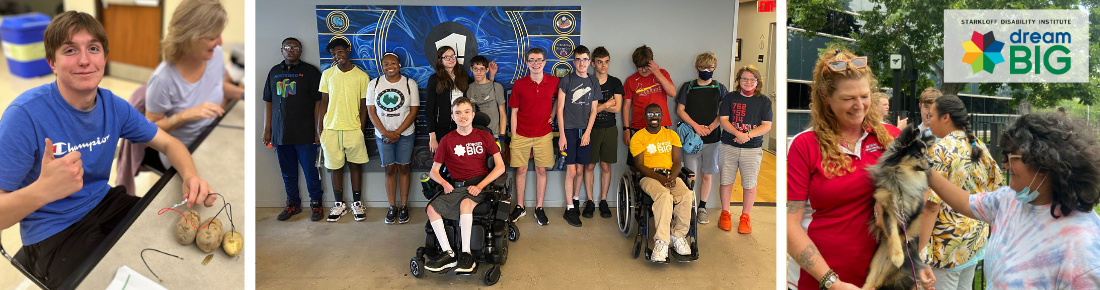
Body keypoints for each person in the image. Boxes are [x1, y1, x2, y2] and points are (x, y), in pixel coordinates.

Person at [0, 11, 215, 288]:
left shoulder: (113, 105)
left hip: (103, 202)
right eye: (69, 50)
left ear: (104, 57)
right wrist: (44, 190)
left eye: (93, 48)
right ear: (52, 62)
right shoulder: (24, 115)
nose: (84, 60)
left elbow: (168, 143)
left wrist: (190, 176)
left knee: (169, 247)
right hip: (52, 230)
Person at [786, 49, 933, 290]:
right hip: (820, 280)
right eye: (848, 99)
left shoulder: (891, 138)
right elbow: (790, 225)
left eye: (864, 96)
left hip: (883, 279)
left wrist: (914, 261)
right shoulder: (805, 145)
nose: (859, 106)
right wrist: (831, 283)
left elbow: (922, 193)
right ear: (825, 96)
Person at [923, 113, 1100, 288]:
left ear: (1045, 164)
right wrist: (925, 168)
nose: (1006, 165)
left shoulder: (1081, 246)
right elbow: (965, 202)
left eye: (1013, 158)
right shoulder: (1009, 199)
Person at [916, 94, 1003, 290]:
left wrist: (918, 253)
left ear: (945, 117)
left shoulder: (940, 151)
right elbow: (995, 188)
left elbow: (930, 207)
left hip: (945, 247)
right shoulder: (978, 145)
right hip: (974, 241)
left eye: (932, 116)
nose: (929, 123)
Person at [146, 0, 243, 168]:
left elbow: (216, 85)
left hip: (211, 133)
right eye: (213, 37)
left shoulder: (215, 54)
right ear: (190, 38)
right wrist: (185, 115)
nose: (220, 42)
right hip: (181, 151)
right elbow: (148, 132)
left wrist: (245, 95)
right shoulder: (163, 79)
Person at [424, 97, 506, 275]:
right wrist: (444, 183)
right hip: (456, 187)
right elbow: (434, 171)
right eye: (458, 113)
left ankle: (466, 255)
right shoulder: (446, 140)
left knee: (465, 204)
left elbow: (500, 167)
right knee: (431, 209)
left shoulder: (484, 136)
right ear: (453, 117)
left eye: (467, 112)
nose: (463, 116)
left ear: (473, 114)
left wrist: (481, 185)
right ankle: (448, 253)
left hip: (480, 186)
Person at [263, 37, 324, 222]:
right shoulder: (274, 72)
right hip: (281, 133)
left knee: (310, 171)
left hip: (305, 133)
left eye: (295, 48)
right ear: (282, 49)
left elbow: (319, 103)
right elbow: (269, 101)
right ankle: (293, 204)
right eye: (288, 47)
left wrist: (317, 131)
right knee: (287, 172)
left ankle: (316, 203)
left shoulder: (310, 72)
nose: (291, 50)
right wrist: (267, 130)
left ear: (301, 51)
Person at [631, 104, 694, 263]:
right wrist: (660, 179)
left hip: (670, 175)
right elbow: (639, 165)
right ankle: (661, 242)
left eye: (657, 114)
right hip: (649, 176)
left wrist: (672, 177)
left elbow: (678, 162)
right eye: (650, 114)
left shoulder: (671, 135)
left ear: (662, 117)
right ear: (645, 117)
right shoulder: (638, 137)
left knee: (687, 194)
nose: (654, 117)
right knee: (664, 196)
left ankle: (678, 236)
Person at [317, 37, 369, 222]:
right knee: (334, 167)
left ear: (348, 50)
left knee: (355, 166)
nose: (337, 56)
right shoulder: (327, 74)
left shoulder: (362, 76)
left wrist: (361, 129)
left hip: (353, 129)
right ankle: (339, 204)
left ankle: (356, 202)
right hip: (330, 129)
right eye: (333, 53)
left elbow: (364, 106)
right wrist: (320, 127)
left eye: (340, 51)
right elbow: (323, 102)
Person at [717, 65, 772, 234]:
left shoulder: (764, 101)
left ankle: (745, 217)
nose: (748, 82)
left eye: (752, 79)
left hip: (752, 149)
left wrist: (746, 135)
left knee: (749, 185)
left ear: (758, 81)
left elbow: (766, 126)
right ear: (739, 80)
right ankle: (725, 213)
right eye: (744, 79)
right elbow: (723, 119)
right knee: (726, 182)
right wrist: (736, 133)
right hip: (728, 145)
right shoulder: (730, 98)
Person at [674, 52, 727, 225]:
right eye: (703, 68)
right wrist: (696, 127)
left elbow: (723, 113)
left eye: (710, 68)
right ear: (697, 67)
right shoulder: (687, 86)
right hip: (691, 140)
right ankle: (688, 207)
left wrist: (711, 126)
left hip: (712, 139)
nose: (706, 71)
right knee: (691, 176)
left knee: (706, 175)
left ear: (715, 68)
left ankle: (702, 208)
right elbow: (680, 111)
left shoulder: (719, 88)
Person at [366, 52, 419, 224]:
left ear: (399, 65)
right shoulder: (374, 84)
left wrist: (397, 133)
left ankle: (403, 205)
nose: (390, 67)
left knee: (404, 169)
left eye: (393, 63)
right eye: (386, 64)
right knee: (389, 170)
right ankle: (392, 206)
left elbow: (413, 111)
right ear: (382, 66)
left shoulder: (410, 84)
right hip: (383, 135)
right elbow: (371, 111)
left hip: (405, 134)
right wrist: (385, 133)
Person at [508, 47, 559, 225]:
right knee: (520, 170)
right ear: (527, 63)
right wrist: (514, 137)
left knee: (541, 170)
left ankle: (539, 208)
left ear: (544, 63)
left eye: (539, 60)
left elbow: (560, 100)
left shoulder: (554, 82)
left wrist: (552, 115)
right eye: (532, 60)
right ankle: (520, 207)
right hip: (521, 134)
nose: (535, 63)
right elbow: (513, 112)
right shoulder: (519, 84)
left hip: (544, 134)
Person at [555, 45, 600, 227]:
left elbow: (594, 110)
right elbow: (559, 109)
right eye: (578, 59)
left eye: (585, 59)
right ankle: (569, 208)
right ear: (574, 62)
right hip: (569, 131)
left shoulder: (593, 81)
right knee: (571, 171)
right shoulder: (566, 80)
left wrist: (588, 132)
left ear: (589, 62)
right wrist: (562, 135)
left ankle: (575, 201)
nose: (582, 63)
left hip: (585, 132)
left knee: (581, 170)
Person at [425, 46, 496, 153]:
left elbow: (480, 86)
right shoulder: (435, 79)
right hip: (442, 127)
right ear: (440, 60)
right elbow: (429, 109)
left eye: (453, 56)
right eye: (447, 57)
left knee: (460, 157)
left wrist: (491, 75)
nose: (451, 59)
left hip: (462, 125)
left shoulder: (463, 76)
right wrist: (432, 136)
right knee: (444, 159)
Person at [583, 46, 622, 219]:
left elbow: (618, 108)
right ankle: (590, 201)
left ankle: (603, 200)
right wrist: (606, 105)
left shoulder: (615, 82)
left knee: (606, 166)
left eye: (606, 62)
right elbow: (585, 110)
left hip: (609, 129)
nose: (603, 65)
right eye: (599, 62)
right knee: (589, 165)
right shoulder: (587, 81)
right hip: (590, 129)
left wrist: (596, 107)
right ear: (593, 63)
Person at [622, 45, 676, 147]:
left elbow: (672, 93)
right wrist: (626, 129)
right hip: (639, 127)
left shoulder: (662, 73)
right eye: (640, 67)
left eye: (646, 66)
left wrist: (656, 72)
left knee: (660, 160)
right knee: (638, 162)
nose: (644, 71)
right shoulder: (630, 80)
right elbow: (626, 107)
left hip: (661, 126)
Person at [466, 55, 506, 138]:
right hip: (474, 135)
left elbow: (503, 114)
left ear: (487, 70)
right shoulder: (468, 89)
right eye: (475, 69)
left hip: (493, 135)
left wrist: (501, 136)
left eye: (482, 69)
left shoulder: (497, 87)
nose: (478, 72)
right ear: (471, 69)